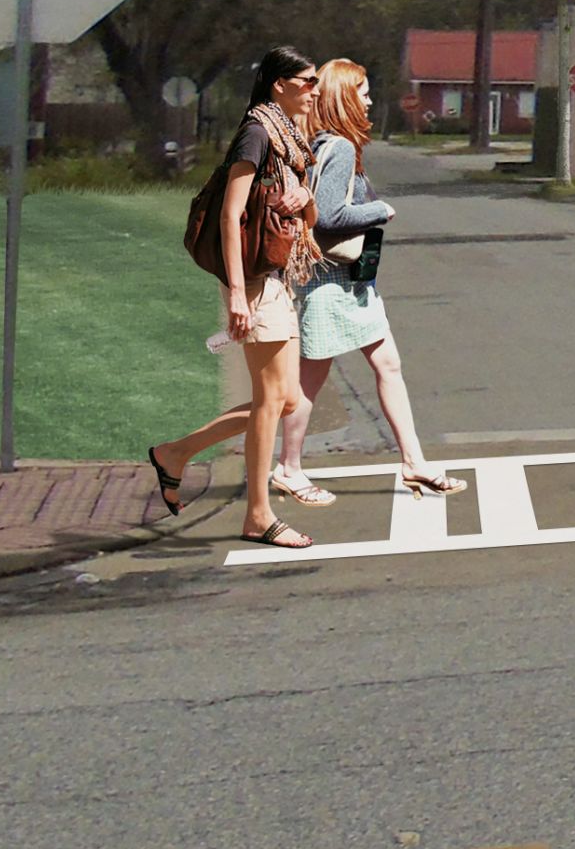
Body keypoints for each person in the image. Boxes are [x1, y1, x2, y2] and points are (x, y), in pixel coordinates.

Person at [148, 49, 326, 549]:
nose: (314, 90)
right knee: (270, 400)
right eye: (307, 81)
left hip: (277, 276)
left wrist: (305, 199)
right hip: (252, 279)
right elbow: (231, 216)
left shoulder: (291, 141)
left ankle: (174, 454)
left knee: (287, 399)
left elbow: (308, 218)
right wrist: (237, 296)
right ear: (279, 85)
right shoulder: (257, 133)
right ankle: (258, 516)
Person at [266, 60, 466, 506]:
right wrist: (380, 210)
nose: (370, 101)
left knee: (388, 365)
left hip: (350, 283)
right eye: (364, 93)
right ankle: (288, 468)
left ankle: (414, 461)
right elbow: (328, 216)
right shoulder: (337, 147)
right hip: (330, 283)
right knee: (310, 381)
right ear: (344, 98)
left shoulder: (321, 143)